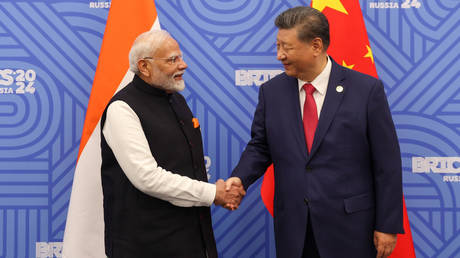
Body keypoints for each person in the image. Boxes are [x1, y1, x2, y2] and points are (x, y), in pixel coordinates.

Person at [225, 6, 403, 258]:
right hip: (294, 228)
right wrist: (240, 177)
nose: (279, 55)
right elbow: (261, 146)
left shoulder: (366, 91)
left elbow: (387, 163)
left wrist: (387, 224)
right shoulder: (271, 92)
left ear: (316, 46)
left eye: (287, 47)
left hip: (350, 228)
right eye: (277, 46)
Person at [100, 30, 244, 258]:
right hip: (146, 246)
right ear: (144, 67)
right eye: (173, 60)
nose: (183, 65)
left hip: (193, 241)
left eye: (181, 57)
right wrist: (213, 193)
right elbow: (147, 178)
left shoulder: (177, 100)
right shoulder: (122, 108)